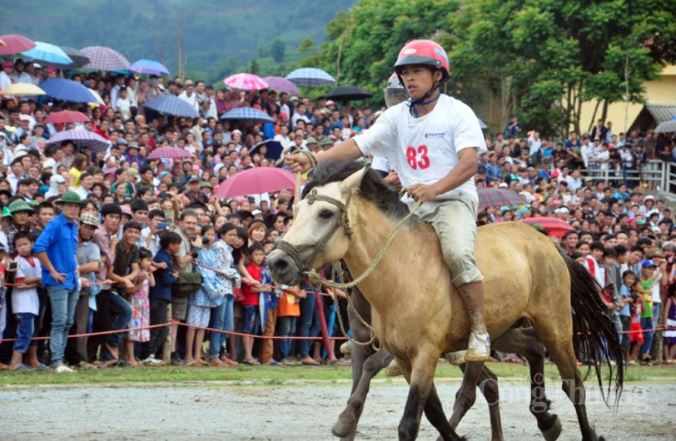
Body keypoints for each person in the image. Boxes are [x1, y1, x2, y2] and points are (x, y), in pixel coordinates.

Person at [286, 39, 491, 362]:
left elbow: (469, 164)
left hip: (451, 200)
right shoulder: (395, 116)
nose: (409, 79)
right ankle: (386, 336)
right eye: (405, 73)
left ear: (437, 75)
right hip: (410, 204)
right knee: (372, 257)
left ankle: (479, 331)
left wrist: (434, 188)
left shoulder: (458, 112)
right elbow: (357, 145)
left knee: (457, 253)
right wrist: (315, 158)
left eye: (417, 72)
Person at [34, 191, 82, 373]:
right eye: (69, 205)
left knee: (68, 321)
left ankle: (59, 360)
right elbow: (39, 247)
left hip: (72, 279)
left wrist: (76, 266)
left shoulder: (74, 225)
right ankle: (56, 361)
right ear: (61, 206)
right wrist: (52, 270)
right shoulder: (54, 224)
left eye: (76, 206)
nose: (73, 209)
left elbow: (70, 250)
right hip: (58, 280)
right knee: (59, 321)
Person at [143, 231, 181, 366]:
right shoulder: (163, 257)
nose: (179, 248)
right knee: (158, 326)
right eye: (178, 245)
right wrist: (174, 277)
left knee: (163, 327)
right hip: (159, 296)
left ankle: (151, 353)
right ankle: (148, 354)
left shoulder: (165, 256)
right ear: (171, 245)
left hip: (161, 297)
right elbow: (165, 280)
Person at [208, 223, 242, 367]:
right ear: (222, 235)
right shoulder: (218, 247)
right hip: (220, 288)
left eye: (235, 235)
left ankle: (220, 353)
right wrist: (236, 275)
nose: (233, 238)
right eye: (230, 235)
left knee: (228, 325)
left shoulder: (228, 249)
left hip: (228, 288)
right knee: (219, 323)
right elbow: (218, 268)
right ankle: (214, 354)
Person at [7, 233, 42, 371]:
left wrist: (30, 283)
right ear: (15, 248)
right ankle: (15, 362)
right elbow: (19, 281)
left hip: (33, 302)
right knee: (24, 332)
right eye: (19, 245)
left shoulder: (37, 260)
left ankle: (27, 361)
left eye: (25, 244)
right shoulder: (17, 261)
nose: (23, 248)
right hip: (22, 303)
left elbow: (41, 280)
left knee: (31, 331)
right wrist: (36, 280)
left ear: (31, 244)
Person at [241, 244, 271, 365]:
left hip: (260, 304)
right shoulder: (249, 269)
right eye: (256, 254)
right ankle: (247, 355)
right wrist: (263, 289)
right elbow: (249, 289)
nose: (259, 257)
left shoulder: (262, 269)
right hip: (250, 303)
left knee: (254, 330)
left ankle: (250, 355)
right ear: (251, 256)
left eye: (261, 255)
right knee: (247, 329)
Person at [126, 247, 154, 367]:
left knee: (139, 332)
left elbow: (153, 284)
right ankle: (130, 357)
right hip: (135, 303)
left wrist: (150, 272)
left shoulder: (146, 273)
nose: (149, 263)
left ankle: (135, 356)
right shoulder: (136, 274)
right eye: (147, 260)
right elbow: (131, 290)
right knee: (132, 331)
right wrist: (140, 282)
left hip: (144, 304)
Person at [277, 284, 306, 365]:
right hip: (285, 305)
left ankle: (289, 355)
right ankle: (284, 356)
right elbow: (282, 286)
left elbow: (298, 288)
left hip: (294, 306)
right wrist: (298, 293)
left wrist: (299, 295)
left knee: (292, 331)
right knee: (285, 331)